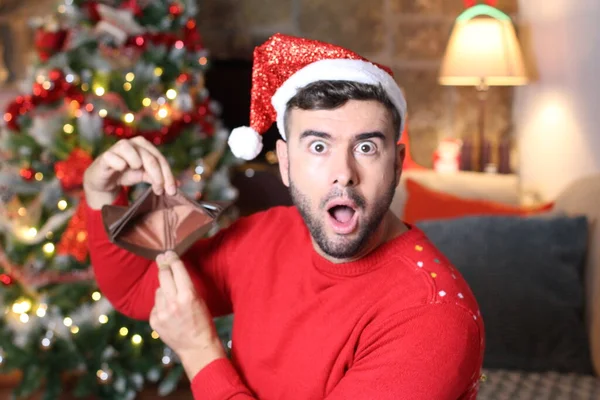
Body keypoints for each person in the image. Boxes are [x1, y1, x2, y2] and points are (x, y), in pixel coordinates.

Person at [83, 33, 485, 399]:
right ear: (287, 162)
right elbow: (136, 290)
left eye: (365, 147)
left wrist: (198, 352)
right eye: (318, 147)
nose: (343, 172)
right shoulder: (265, 234)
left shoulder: (433, 316)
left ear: (396, 165)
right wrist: (101, 194)